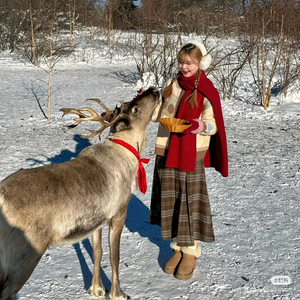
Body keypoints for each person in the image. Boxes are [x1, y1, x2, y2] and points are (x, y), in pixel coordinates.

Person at [150, 40, 228, 280]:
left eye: (190, 63)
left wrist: (200, 126)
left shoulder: (205, 88)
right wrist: (148, 105)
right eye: (181, 62)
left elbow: (214, 124)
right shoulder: (171, 85)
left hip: (190, 153)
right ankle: (178, 247)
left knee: (188, 202)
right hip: (167, 150)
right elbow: (160, 113)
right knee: (171, 199)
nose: (184, 67)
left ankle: (191, 251)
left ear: (200, 63)